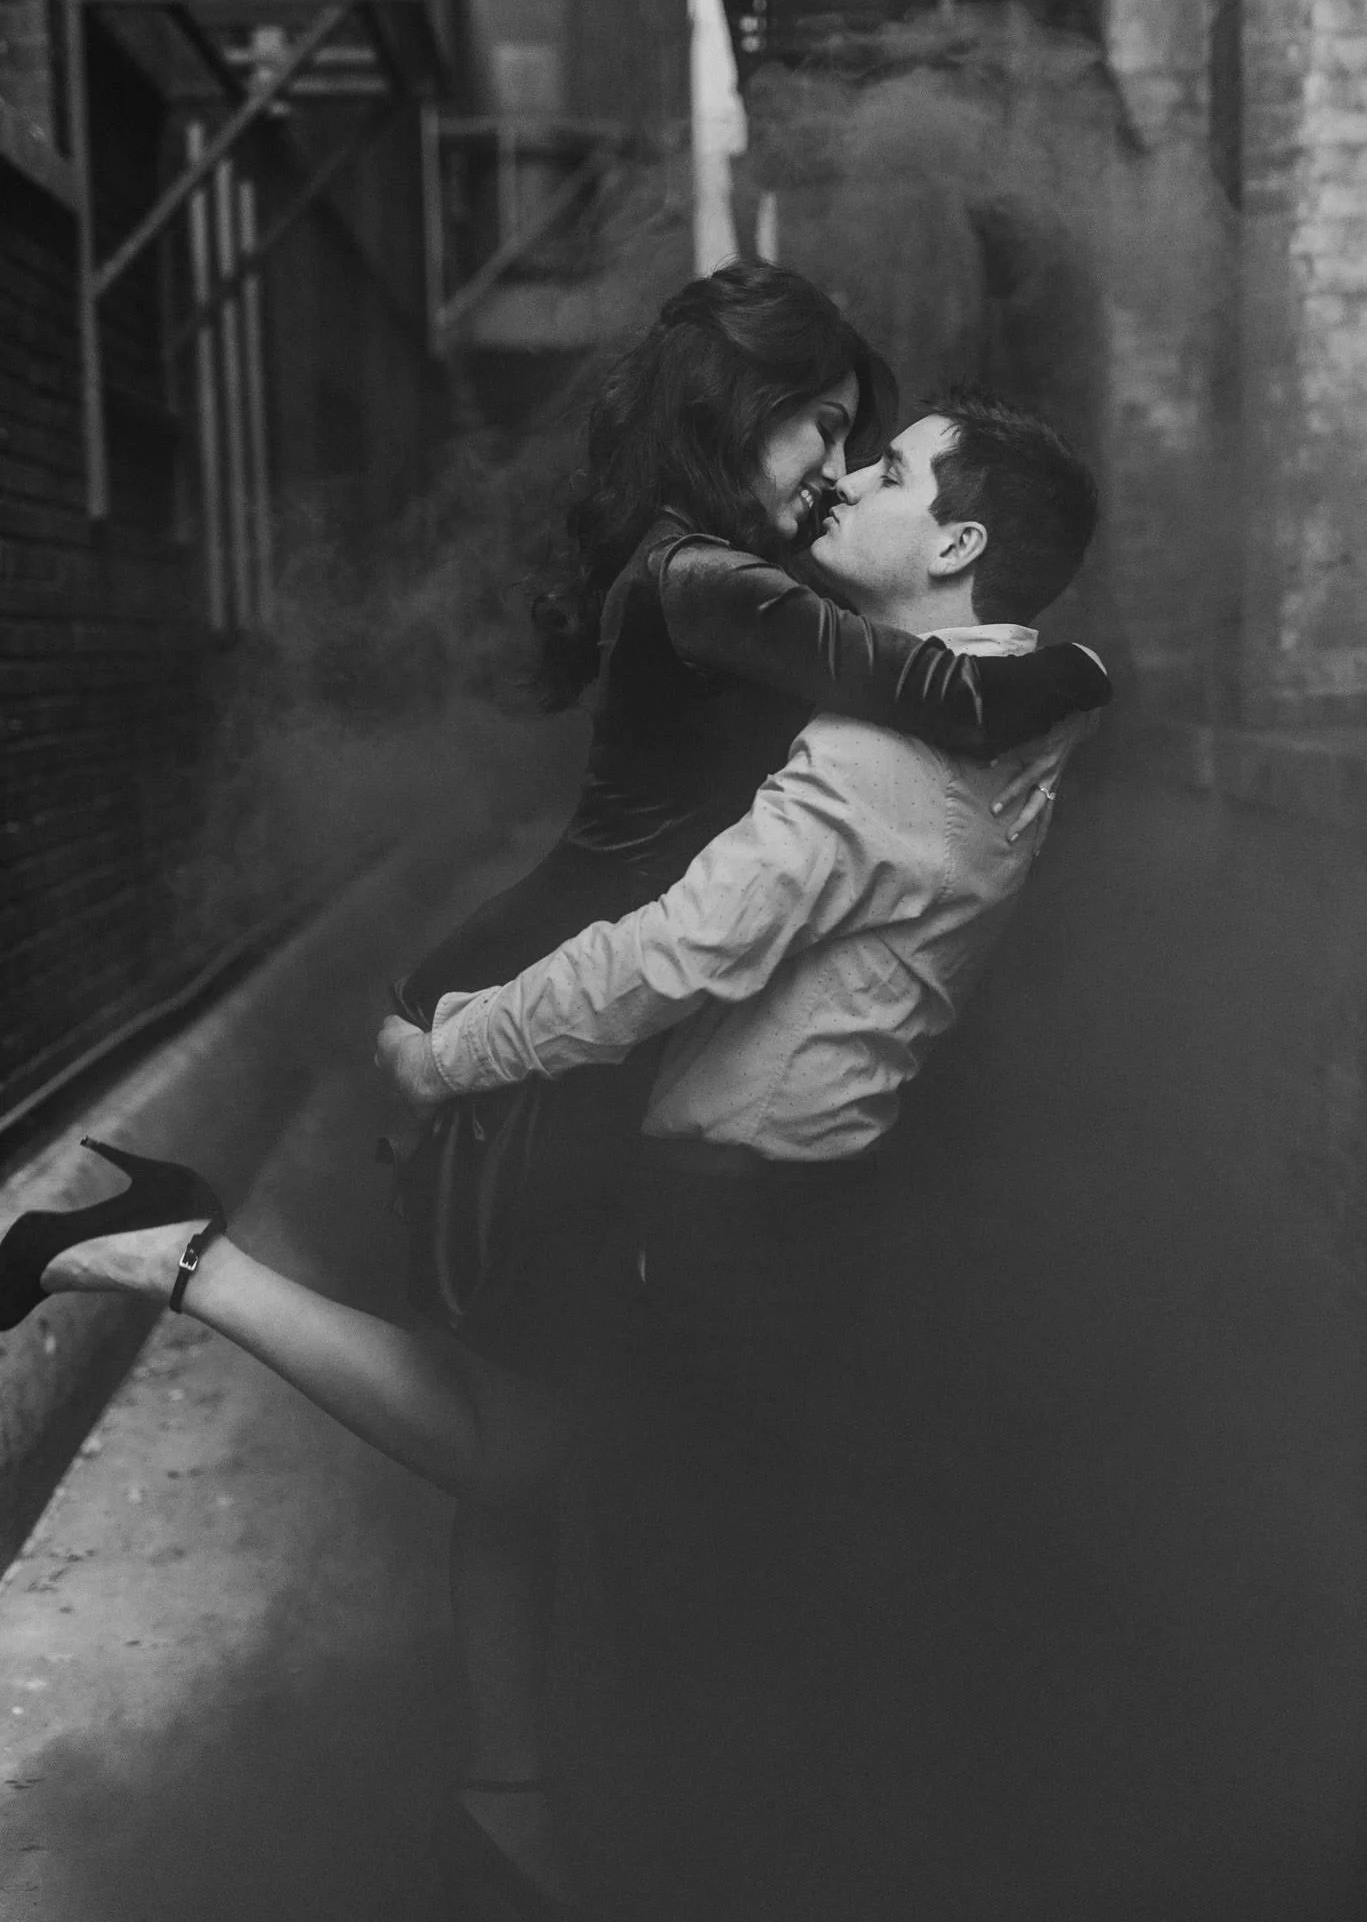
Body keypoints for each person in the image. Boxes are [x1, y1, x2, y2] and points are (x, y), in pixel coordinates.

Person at [13, 261, 1106, 1916]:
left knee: (537, 1437)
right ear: (740, 413)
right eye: (823, 428)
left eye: (866, 448)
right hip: (539, 1029)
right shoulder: (719, 584)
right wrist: (1072, 670)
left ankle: (511, 1792)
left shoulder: (741, 576)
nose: (837, 466)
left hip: (575, 1036)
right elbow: (936, 699)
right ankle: (181, 1268)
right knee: (530, 1445)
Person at [377, 387, 1104, 1902]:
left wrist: (448, 1052)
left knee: (678, 1602)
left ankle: (655, 1859)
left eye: (889, 468)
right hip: (821, 1207)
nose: (849, 479)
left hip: (732, 1232)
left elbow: (662, 961)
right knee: (731, 1581)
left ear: (955, 545)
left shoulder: (879, 760)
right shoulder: (1022, 698)